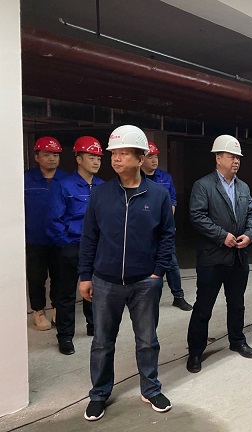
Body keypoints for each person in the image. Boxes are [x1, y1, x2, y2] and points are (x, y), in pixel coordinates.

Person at [78, 125, 175, 421]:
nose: (116, 159)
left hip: (145, 282)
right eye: (114, 154)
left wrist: (158, 273)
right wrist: (85, 275)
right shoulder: (101, 194)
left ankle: (150, 388)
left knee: (147, 340)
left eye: (123, 153)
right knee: (102, 342)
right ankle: (99, 394)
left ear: (140, 158)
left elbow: (167, 236)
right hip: (105, 282)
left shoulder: (157, 195)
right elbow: (89, 236)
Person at [186, 135, 252, 374]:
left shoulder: (243, 187)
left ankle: (237, 340)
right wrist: (221, 236)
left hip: (238, 257)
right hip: (212, 259)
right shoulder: (203, 185)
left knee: (237, 304)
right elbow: (197, 216)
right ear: (218, 158)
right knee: (203, 307)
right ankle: (195, 351)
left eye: (238, 157)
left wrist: (249, 234)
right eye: (231, 156)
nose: (236, 161)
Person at [47, 136, 104, 355]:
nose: (96, 162)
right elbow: (54, 221)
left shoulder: (103, 187)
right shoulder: (63, 186)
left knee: (95, 289)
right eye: (91, 157)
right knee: (66, 293)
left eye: (99, 158)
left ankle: (93, 326)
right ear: (79, 159)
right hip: (71, 246)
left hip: (96, 248)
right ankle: (65, 336)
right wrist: (67, 244)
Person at [24, 136, 68, 331]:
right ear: (37, 156)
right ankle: (38, 311)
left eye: (55, 155)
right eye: (47, 154)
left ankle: (57, 308)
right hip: (35, 239)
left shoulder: (66, 180)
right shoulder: (26, 179)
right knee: (36, 277)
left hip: (59, 239)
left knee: (60, 276)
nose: (52, 158)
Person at [142, 141, 192, 311]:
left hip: (163, 229)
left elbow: (172, 201)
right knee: (145, 263)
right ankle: (146, 298)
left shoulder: (165, 178)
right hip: (143, 231)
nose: (154, 160)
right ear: (142, 159)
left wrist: (167, 224)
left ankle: (178, 297)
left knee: (171, 263)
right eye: (150, 157)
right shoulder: (137, 178)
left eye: (156, 156)